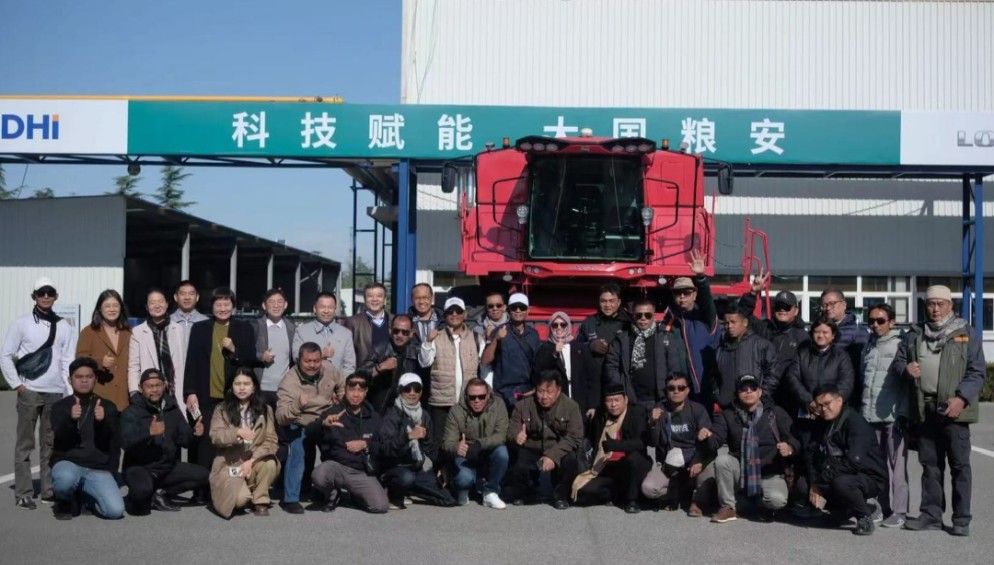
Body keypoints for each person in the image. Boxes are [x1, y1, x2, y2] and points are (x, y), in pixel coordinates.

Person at [893, 285, 985, 536]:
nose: (935, 309)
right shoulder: (915, 333)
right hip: (925, 408)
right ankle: (931, 515)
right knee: (930, 465)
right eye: (930, 304)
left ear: (950, 305)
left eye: (940, 304)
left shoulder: (965, 332)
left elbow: (977, 371)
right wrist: (905, 369)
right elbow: (899, 361)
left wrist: (961, 398)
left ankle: (961, 519)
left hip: (955, 409)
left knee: (959, 466)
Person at [2, 277, 76, 510]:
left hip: (56, 392)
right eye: (41, 292)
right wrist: (18, 385)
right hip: (30, 391)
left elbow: (68, 360)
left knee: (50, 443)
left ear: (56, 296)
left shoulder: (64, 326)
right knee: (25, 443)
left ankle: (48, 490)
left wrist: (69, 390)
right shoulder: (21, 323)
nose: (45, 296)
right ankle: (23, 492)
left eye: (49, 292)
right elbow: (5, 355)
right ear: (33, 296)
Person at [784, 317, 857, 519]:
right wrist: (809, 401)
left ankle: (833, 501)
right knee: (807, 456)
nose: (820, 335)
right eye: (817, 332)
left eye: (825, 332)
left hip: (831, 416)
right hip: (808, 413)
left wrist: (827, 405)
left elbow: (846, 383)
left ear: (833, 335)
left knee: (829, 457)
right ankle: (808, 500)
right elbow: (793, 378)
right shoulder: (803, 353)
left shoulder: (841, 356)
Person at [184, 287, 258, 471]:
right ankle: (201, 481)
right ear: (212, 306)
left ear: (233, 306)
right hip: (206, 395)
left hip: (233, 396)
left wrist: (234, 351)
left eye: (227, 304)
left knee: (232, 440)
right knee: (204, 441)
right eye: (219, 304)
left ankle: (229, 479)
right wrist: (190, 392)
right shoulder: (200, 329)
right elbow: (191, 362)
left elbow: (250, 361)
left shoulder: (245, 328)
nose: (223, 308)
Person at [708, 375, 798, 523]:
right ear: (737, 393)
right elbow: (716, 440)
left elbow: (794, 436)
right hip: (741, 468)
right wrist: (707, 436)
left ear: (760, 392)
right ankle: (728, 507)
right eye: (743, 388)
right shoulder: (728, 414)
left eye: (753, 388)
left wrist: (790, 446)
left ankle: (754, 503)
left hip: (769, 470)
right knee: (722, 461)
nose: (748, 391)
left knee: (777, 500)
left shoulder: (775, 412)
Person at [120, 368, 209, 515]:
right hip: (140, 468)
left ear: (164, 386)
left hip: (166, 467)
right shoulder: (131, 412)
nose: (155, 390)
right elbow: (125, 442)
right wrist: (148, 433)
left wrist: (195, 433)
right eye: (150, 386)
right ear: (141, 388)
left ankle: (161, 493)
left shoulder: (171, 409)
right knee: (141, 502)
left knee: (204, 475)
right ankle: (136, 497)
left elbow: (184, 441)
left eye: (158, 385)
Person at [805, 385, 887, 536]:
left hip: (868, 475)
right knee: (803, 483)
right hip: (837, 470)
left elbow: (853, 462)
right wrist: (813, 483)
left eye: (827, 403)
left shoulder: (855, 423)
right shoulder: (821, 422)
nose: (824, 409)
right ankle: (843, 511)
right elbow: (811, 453)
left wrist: (821, 482)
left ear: (839, 401)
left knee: (842, 483)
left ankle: (865, 517)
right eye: (819, 405)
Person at [49, 357, 124, 520]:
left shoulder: (108, 406)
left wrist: (102, 422)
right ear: (70, 379)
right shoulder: (60, 406)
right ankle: (63, 501)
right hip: (69, 464)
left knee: (115, 511)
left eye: (89, 377)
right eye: (79, 377)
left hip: (97, 468)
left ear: (95, 379)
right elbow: (59, 438)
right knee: (65, 480)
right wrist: (71, 419)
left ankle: (86, 497)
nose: (84, 380)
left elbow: (114, 444)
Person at [275, 342, 343, 514]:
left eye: (316, 361)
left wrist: (342, 405)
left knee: (335, 450)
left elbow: (343, 386)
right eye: (307, 361)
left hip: (325, 418)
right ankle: (291, 499)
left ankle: (327, 490)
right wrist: (297, 405)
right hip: (300, 420)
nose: (312, 365)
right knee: (297, 453)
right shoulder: (289, 382)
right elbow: (281, 416)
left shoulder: (329, 369)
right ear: (299, 360)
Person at [309, 373, 389, 514]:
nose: (356, 394)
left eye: (360, 390)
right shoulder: (333, 413)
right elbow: (309, 433)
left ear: (366, 392)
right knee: (319, 475)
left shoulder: (374, 417)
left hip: (360, 471)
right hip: (336, 467)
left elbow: (384, 446)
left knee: (380, 506)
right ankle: (333, 494)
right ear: (345, 390)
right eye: (352, 390)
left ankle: (356, 496)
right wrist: (323, 424)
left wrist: (366, 444)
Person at [503, 370, 584, 509]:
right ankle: (528, 492)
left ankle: (560, 495)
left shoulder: (571, 406)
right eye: (540, 391)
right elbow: (511, 429)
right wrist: (516, 435)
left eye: (549, 392)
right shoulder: (523, 405)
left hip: (558, 447)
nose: (544, 397)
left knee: (570, 460)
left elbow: (574, 437)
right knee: (517, 460)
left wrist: (552, 455)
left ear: (558, 391)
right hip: (531, 446)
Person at [860, 303, 909, 528]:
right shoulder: (868, 346)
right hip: (869, 416)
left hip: (893, 415)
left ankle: (900, 511)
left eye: (880, 320)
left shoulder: (901, 345)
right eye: (871, 321)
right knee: (875, 466)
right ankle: (881, 508)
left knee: (897, 466)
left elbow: (907, 384)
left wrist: (904, 412)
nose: (875, 324)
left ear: (892, 322)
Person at [209, 368, 280, 518]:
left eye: (246, 384)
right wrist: (236, 433)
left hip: (253, 462)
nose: (242, 388)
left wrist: (252, 461)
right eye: (237, 384)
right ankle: (245, 492)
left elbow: (271, 441)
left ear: (254, 387)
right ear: (231, 387)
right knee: (239, 501)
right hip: (230, 466)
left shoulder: (265, 410)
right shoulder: (221, 409)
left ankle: (260, 500)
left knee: (269, 463)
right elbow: (215, 436)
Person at [570, 383, 652, 513]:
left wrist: (615, 445)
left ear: (625, 400)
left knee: (634, 459)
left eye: (617, 400)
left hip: (629, 464)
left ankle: (632, 500)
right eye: (609, 401)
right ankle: (616, 494)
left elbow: (641, 443)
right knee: (582, 492)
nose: (613, 405)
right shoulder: (601, 415)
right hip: (606, 465)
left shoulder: (636, 413)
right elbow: (591, 440)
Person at [642, 373, 715, 516]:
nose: (676, 391)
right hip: (670, 463)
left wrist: (699, 460)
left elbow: (710, 445)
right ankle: (677, 492)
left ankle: (697, 502)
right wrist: (652, 423)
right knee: (648, 488)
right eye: (671, 388)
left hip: (695, 460)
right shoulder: (659, 409)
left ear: (687, 390)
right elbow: (653, 442)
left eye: (681, 388)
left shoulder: (697, 409)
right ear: (667, 391)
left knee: (710, 476)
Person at [378, 373, 454, 508]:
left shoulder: (424, 415)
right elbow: (386, 449)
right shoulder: (392, 415)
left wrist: (441, 466)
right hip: (395, 467)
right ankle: (392, 494)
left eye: (417, 389)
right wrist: (408, 437)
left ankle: (410, 489)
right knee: (406, 478)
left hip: (417, 467)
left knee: (448, 500)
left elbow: (430, 447)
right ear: (400, 391)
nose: (412, 393)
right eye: (407, 389)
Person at [659, 250, 720, 406]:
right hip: (677, 391)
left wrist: (701, 277)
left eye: (686, 292)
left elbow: (707, 301)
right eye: (678, 293)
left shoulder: (705, 318)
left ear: (694, 294)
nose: (682, 297)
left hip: (703, 390)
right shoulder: (668, 322)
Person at [419, 297, 480, 448]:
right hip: (442, 403)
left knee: (467, 442)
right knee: (441, 443)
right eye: (450, 312)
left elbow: (484, 368)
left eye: (458, 311)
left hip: (467, 402)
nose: (454, 314)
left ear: (465, 314)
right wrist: (427, 342)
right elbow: (424, 362)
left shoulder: (476, 338)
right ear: (445, 315)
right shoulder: (436, 337)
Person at [739, 280, 810, 408]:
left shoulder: (804, 337)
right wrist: (753, 293)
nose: (782, 310)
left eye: (787, 307)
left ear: (796, 310)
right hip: (761, 396)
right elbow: (743, 315)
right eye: (778, 306)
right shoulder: (763, 328)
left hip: (790, 399)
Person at [442, 378, 509, 508]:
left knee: (502, 453)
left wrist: (479, 444)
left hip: (488, 450)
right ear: (466, 397)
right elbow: (447, 442)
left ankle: (490, 491)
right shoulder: (456, 411)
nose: (477, 400)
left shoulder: (498, 404)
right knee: (463, 480)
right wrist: (456, 447)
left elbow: (501, 435)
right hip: (466, 454)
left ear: (488, 395)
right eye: (472, 397)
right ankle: (462, 489)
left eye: (481, 396)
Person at [129, 289, 188, 416]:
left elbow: (184, 361)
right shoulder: (138, 332)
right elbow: (133, 366)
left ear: (166, 304)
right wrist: (134, 392)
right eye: (152, 302)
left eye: (160, 301)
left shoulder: (178, 329)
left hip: (174, 391)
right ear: (147, 307)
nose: (157, 305)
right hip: (151, 391)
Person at [604, 300, 671, 412]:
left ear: (653, 316)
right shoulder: (621, 340)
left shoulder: (664, 338)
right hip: (631, 401)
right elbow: (611, 367)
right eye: (639, 315)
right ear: (633, 316)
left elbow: (673, 367)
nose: (643, 318)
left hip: (660, 400)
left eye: (647, 315)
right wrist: (621, 390)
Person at [483, 292, 541, 411]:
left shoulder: (533, 334)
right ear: (508, 310)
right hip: (504, 394)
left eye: (522, 307)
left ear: (527, 311)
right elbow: (485, 361)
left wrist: (536, 387)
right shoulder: (498, 331)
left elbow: (538, 364)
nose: (518, 310)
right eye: (514, 307)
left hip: (527, 392)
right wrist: (496, 340)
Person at [76, 289, 132, 411]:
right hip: (99, 397)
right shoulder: (89, 332)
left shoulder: (129, 332)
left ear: (121, 308)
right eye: (107, 306)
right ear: (100, 309)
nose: (112, 309)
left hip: (124, 399)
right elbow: (79, 360)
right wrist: (100, 362)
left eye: (115, 305)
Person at [575, 284, 631, 404]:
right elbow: (574, 349)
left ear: (619, 302)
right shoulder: (589, 323)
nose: (607, 305)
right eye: (603, 301)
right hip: (594, 385)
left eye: (611, 301)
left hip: (620, 384)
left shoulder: (629, 324)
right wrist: (589, 346)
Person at [714, 306, 779, 409]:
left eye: (733, 322)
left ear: (745, 322)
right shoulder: (721, 349)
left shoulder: (762, 345)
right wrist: (719, 396)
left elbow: (772, 376)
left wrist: (759, 397)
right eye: (726, 323)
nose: (729, 326)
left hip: (755, 408)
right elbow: (714, 376)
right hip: (728, 407)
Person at [533, 312, 593, 419]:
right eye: (555, 325)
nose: (559, 328)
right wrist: (554, 353)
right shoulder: (545, 348)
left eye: (563, 324)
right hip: (557, 397)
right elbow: (538, 372)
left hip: (579, 395)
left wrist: (592, 404)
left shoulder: (578, 347)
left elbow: (590, 375)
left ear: (568, 326)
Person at [356, 314, 421, 413]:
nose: (400, 335)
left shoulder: (416, 352)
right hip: (380, 408)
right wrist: (381, 367)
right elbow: (359, 375)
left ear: (411, 333)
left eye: (405, 332)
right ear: (390, 331)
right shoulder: (380, 349)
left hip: (406, 407)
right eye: (396, 331)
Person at [819, 289, 869, 406]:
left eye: (832, 304)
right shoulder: (819, 329)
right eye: (824, 305)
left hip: (847, 392)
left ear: (844, 305)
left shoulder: (857, 330)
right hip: (822, 389)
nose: (828, 308)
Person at [292, 292, 356, 375]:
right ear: (315, 309)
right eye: (322, 307)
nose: (326, 311)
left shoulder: (345, 334)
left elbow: (349, 366)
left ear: (335, 310)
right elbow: (296, 358)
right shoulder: (302, 331)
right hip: (308, 381)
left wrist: (341, 382)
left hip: (337, 382)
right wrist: (321, 355)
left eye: (330, 307)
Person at [253, 288, 296, 412]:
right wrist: (261, 356)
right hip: (260, 388)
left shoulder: (292, 329)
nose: (276, 305)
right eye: (271, 302)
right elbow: (246, 353)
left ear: (285, 305)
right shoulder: (255, 326)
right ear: (264, 306)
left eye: (280, 302)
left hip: (284, 390)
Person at [343, 282, 394, 372]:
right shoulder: (353, 322)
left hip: (391, 375)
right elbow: (347, 354)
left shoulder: (394, 320)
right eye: (370, 296)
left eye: (379, 296)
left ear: (385, 300)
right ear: (364, 299)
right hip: (364, 375)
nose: (374, 299)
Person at [473, 291, 508, 387]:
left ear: (504, 307)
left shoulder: (512, 327)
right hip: (487, 374)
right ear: (486, 308)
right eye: (491, 306)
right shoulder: (477, 330)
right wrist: (485, 339)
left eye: (498, 305)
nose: (495, 308)